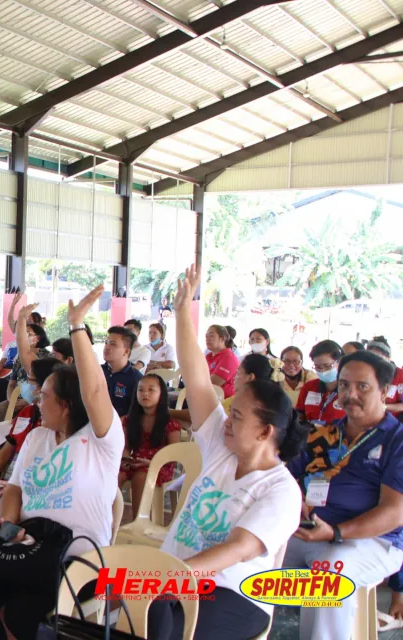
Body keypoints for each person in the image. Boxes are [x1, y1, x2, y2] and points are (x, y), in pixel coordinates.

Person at [147, 264, 305, 640]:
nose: (226, 421)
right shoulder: (223, 443)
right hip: (176, 577)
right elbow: (197, 376)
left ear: (266, 431)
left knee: (166, 624)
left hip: (234, 594)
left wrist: (174, 580)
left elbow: (239, 549)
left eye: (236, 415)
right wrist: (184, 311)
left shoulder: (281, 491)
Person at [0, 286, 124, 639]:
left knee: (22, 614)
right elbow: (15, 489)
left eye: (44, 396)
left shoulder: (100, 442)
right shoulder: (37, 437)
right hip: (25, 543)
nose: (36, 401)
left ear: (66, 404)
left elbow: (94, 390)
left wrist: (77, 325)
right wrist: (7, 525)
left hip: (75, 555)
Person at [285, 349, 403, 640]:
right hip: (313, 532)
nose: (350, 394)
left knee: (327, 576)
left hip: (374, 542)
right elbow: (285, 476)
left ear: (384, 391)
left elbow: (394, 512)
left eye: (362, 386)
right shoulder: (322, 433)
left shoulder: (396, 440)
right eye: (344, 385)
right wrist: (294, 496)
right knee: (251, 550)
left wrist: (336, 532)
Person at [0, 357, 61, 528]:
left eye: (30, 380)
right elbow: (8, 448)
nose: (24, 384)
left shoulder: (56, 425)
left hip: (29, 491)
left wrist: (15, 486)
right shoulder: (27, 412)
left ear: (43, 387)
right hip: (4, 484)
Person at [119, 374, 182, 522]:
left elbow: (174, 455)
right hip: (135, 461)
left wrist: (152, 463)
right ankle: (106, 520)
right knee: (114, 474)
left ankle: (139, 522)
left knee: (141, 476)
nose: (145, 393)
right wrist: (125, 459)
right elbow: (126, 446)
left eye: (151, 390)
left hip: (161, 465)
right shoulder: (130, 420)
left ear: (161, 394)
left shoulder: (169, 423)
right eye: (140, 390)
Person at [296, 340, 345, 427]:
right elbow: (299, 415)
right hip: (311, 436)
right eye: (318, 367)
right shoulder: (309, 387)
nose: (322, 371)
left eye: (327, 366)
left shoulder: (349, 390)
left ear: (339, 362)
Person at [103, 326, 143, 417]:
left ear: (126, 351)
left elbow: (137, 413)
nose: (107, 347)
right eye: (106, 343)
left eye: (113, 344)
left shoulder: (136, 379)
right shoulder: (96, 372)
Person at [365, 337, 403, 413]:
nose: (374, 362)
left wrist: (383, 406)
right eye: (369, 358)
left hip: (391, 420)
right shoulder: (363, 373)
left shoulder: (400, 375)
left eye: (379, 358)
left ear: (388, 358)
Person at [205, 324, 240, 398]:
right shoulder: (208, 356)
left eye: (211, 335)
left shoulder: (229, 358)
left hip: (221, 403)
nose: (207, 338)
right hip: (206, 397)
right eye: (206, 336)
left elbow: (212, 383)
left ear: (222, 338)